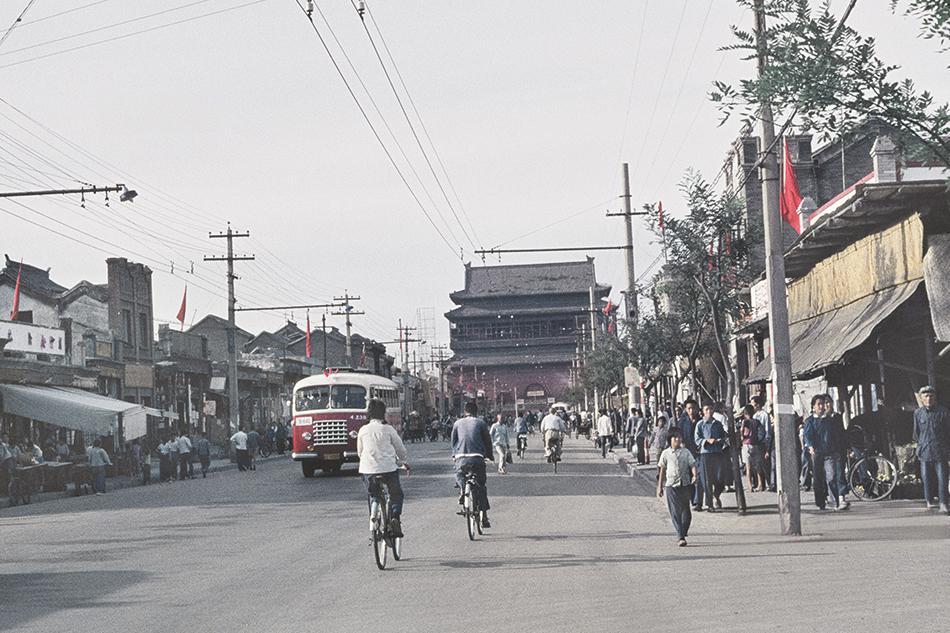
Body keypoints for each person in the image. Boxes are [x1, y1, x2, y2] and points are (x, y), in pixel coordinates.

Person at [358, 398, 411, 538]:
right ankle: (395, 517)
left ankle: (373, 515)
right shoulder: (388, 429)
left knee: (373, 494)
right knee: (396, 494)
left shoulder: (363, 430)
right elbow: (400, 449)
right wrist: (403, 461)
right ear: (383, 413)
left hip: (368, 470)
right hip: (389, 470)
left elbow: (360, 452)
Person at [451, 401, 494, 529]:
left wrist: (454, 455)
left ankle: (463, 489)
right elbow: (487, 441)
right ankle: (484, 516)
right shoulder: (480, 423)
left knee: (459, 474)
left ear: (465, 412)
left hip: (461, 458)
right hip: (477, 458)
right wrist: (489, 456)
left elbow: (454, 442)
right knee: (481, 486)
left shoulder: (457, 423)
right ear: (476, 412)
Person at [803, 395, 849, 511]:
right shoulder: (810, 421)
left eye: (823, 404)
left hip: (830, 453)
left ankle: (836, 502)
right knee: (818, 479)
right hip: (817, 453)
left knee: (831, 476)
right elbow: (807, 435)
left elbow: (835, 435)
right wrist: (811, 447)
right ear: (813, 407)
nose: (822, 406)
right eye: (819, 404)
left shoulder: (830, 420)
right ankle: (820, 502)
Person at [656, 429, 698, 547]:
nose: (678, 440)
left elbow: (692, 464)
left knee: (687, 514)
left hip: (684, 485)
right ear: (670, 440)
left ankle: (682, 532)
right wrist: (660, 487)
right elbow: (662, 470)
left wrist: (695, 475)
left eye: (679, 437)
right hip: (671, 486)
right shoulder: (666, 453)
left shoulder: (686, 452)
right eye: (675, 438)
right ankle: (680, 537)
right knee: (675, 512)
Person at [913, 385, 948, 513]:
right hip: (925, 450)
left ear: (935, 397)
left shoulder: (943, 412)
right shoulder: (918, 413)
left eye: (931, 396)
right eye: (926, 396)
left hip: (940, 450)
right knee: (926, 478)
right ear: (921, 398)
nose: (929, 399)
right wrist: (920, 446)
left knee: (942, 478)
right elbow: (916, 433)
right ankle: (929, 501)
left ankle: (943, 503)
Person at [695, 404, 727, 511]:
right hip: (706, 454)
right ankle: (709, 504)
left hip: (717, 453)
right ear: (703, 411)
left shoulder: (718, 424)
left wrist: (718, 440)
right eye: (706, 409)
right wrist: (706, 441)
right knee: (707, 480)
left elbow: (723, 437)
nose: (709, 411)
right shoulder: (700, 424)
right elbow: (697, 439)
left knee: (720, 477)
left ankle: (716, 495)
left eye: (711, 409)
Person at [677, 399, 703, 510]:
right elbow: (678, 435)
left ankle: (698, 502)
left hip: (698, 454)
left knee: (699, 477)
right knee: (688, 477)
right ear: (686, 409)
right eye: (689, 408)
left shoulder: (701, 421)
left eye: (693, 408)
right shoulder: (682, 422)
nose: (691, 411)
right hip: (686, 454)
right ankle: (693, 499)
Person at [740, 405, 767, 492]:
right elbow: (762, 432)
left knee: (748, 467)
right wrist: (759, 440)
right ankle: (760, 485)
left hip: (746, 444)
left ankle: (750, 486)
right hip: (756, 445)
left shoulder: (744, 422)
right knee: (757, 466)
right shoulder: (757, 422)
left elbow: (742, 434)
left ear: (745, 414)